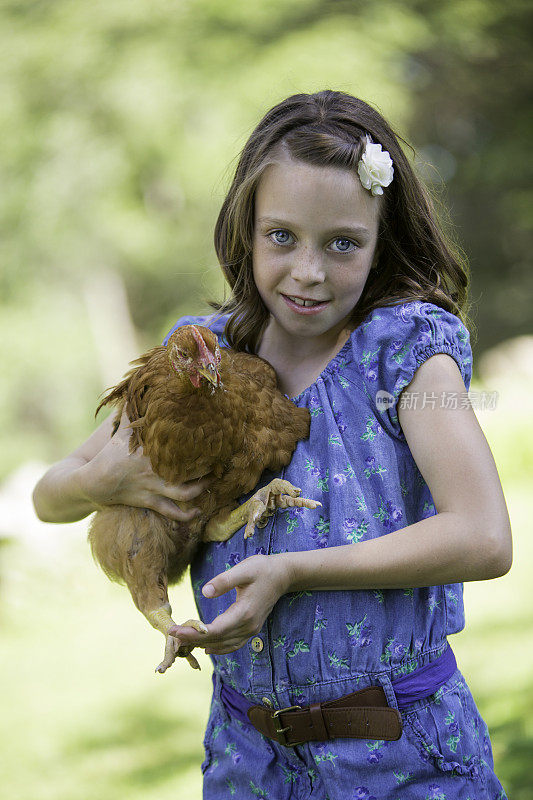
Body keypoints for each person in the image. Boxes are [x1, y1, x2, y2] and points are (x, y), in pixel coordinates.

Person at [33, 90, 512, 799]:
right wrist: (109, 484)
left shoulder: (406, 353)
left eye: (342, 243)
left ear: (383, 241)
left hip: (398, 757)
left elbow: (483, 537)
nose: (308, 271)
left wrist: (292, 570)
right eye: (281, 237)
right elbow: (50, 495)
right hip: (249, 760)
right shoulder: (201, 356)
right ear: (246, 234)